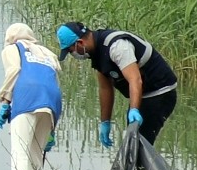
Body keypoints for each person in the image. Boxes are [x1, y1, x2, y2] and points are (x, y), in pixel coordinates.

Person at [58, 21, 179, 152]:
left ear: (80, 43)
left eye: (71, 51)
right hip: (143, 94)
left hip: (160, 92)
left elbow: (135, 80)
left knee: (138, 146)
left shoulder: (117, 47)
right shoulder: (96, 52)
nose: (73, 55)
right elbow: (105, 88)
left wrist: (134, 109)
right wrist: (105, 122)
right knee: (133, 143)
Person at [0, 21, 62, 170]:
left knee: (20, 150)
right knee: (36, 153)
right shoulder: (47, 53)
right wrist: (53, 129)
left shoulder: (12, 49)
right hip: (52, 101)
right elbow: (52, 80)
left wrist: (5, 100)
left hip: (27, 96)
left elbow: (14, 71)